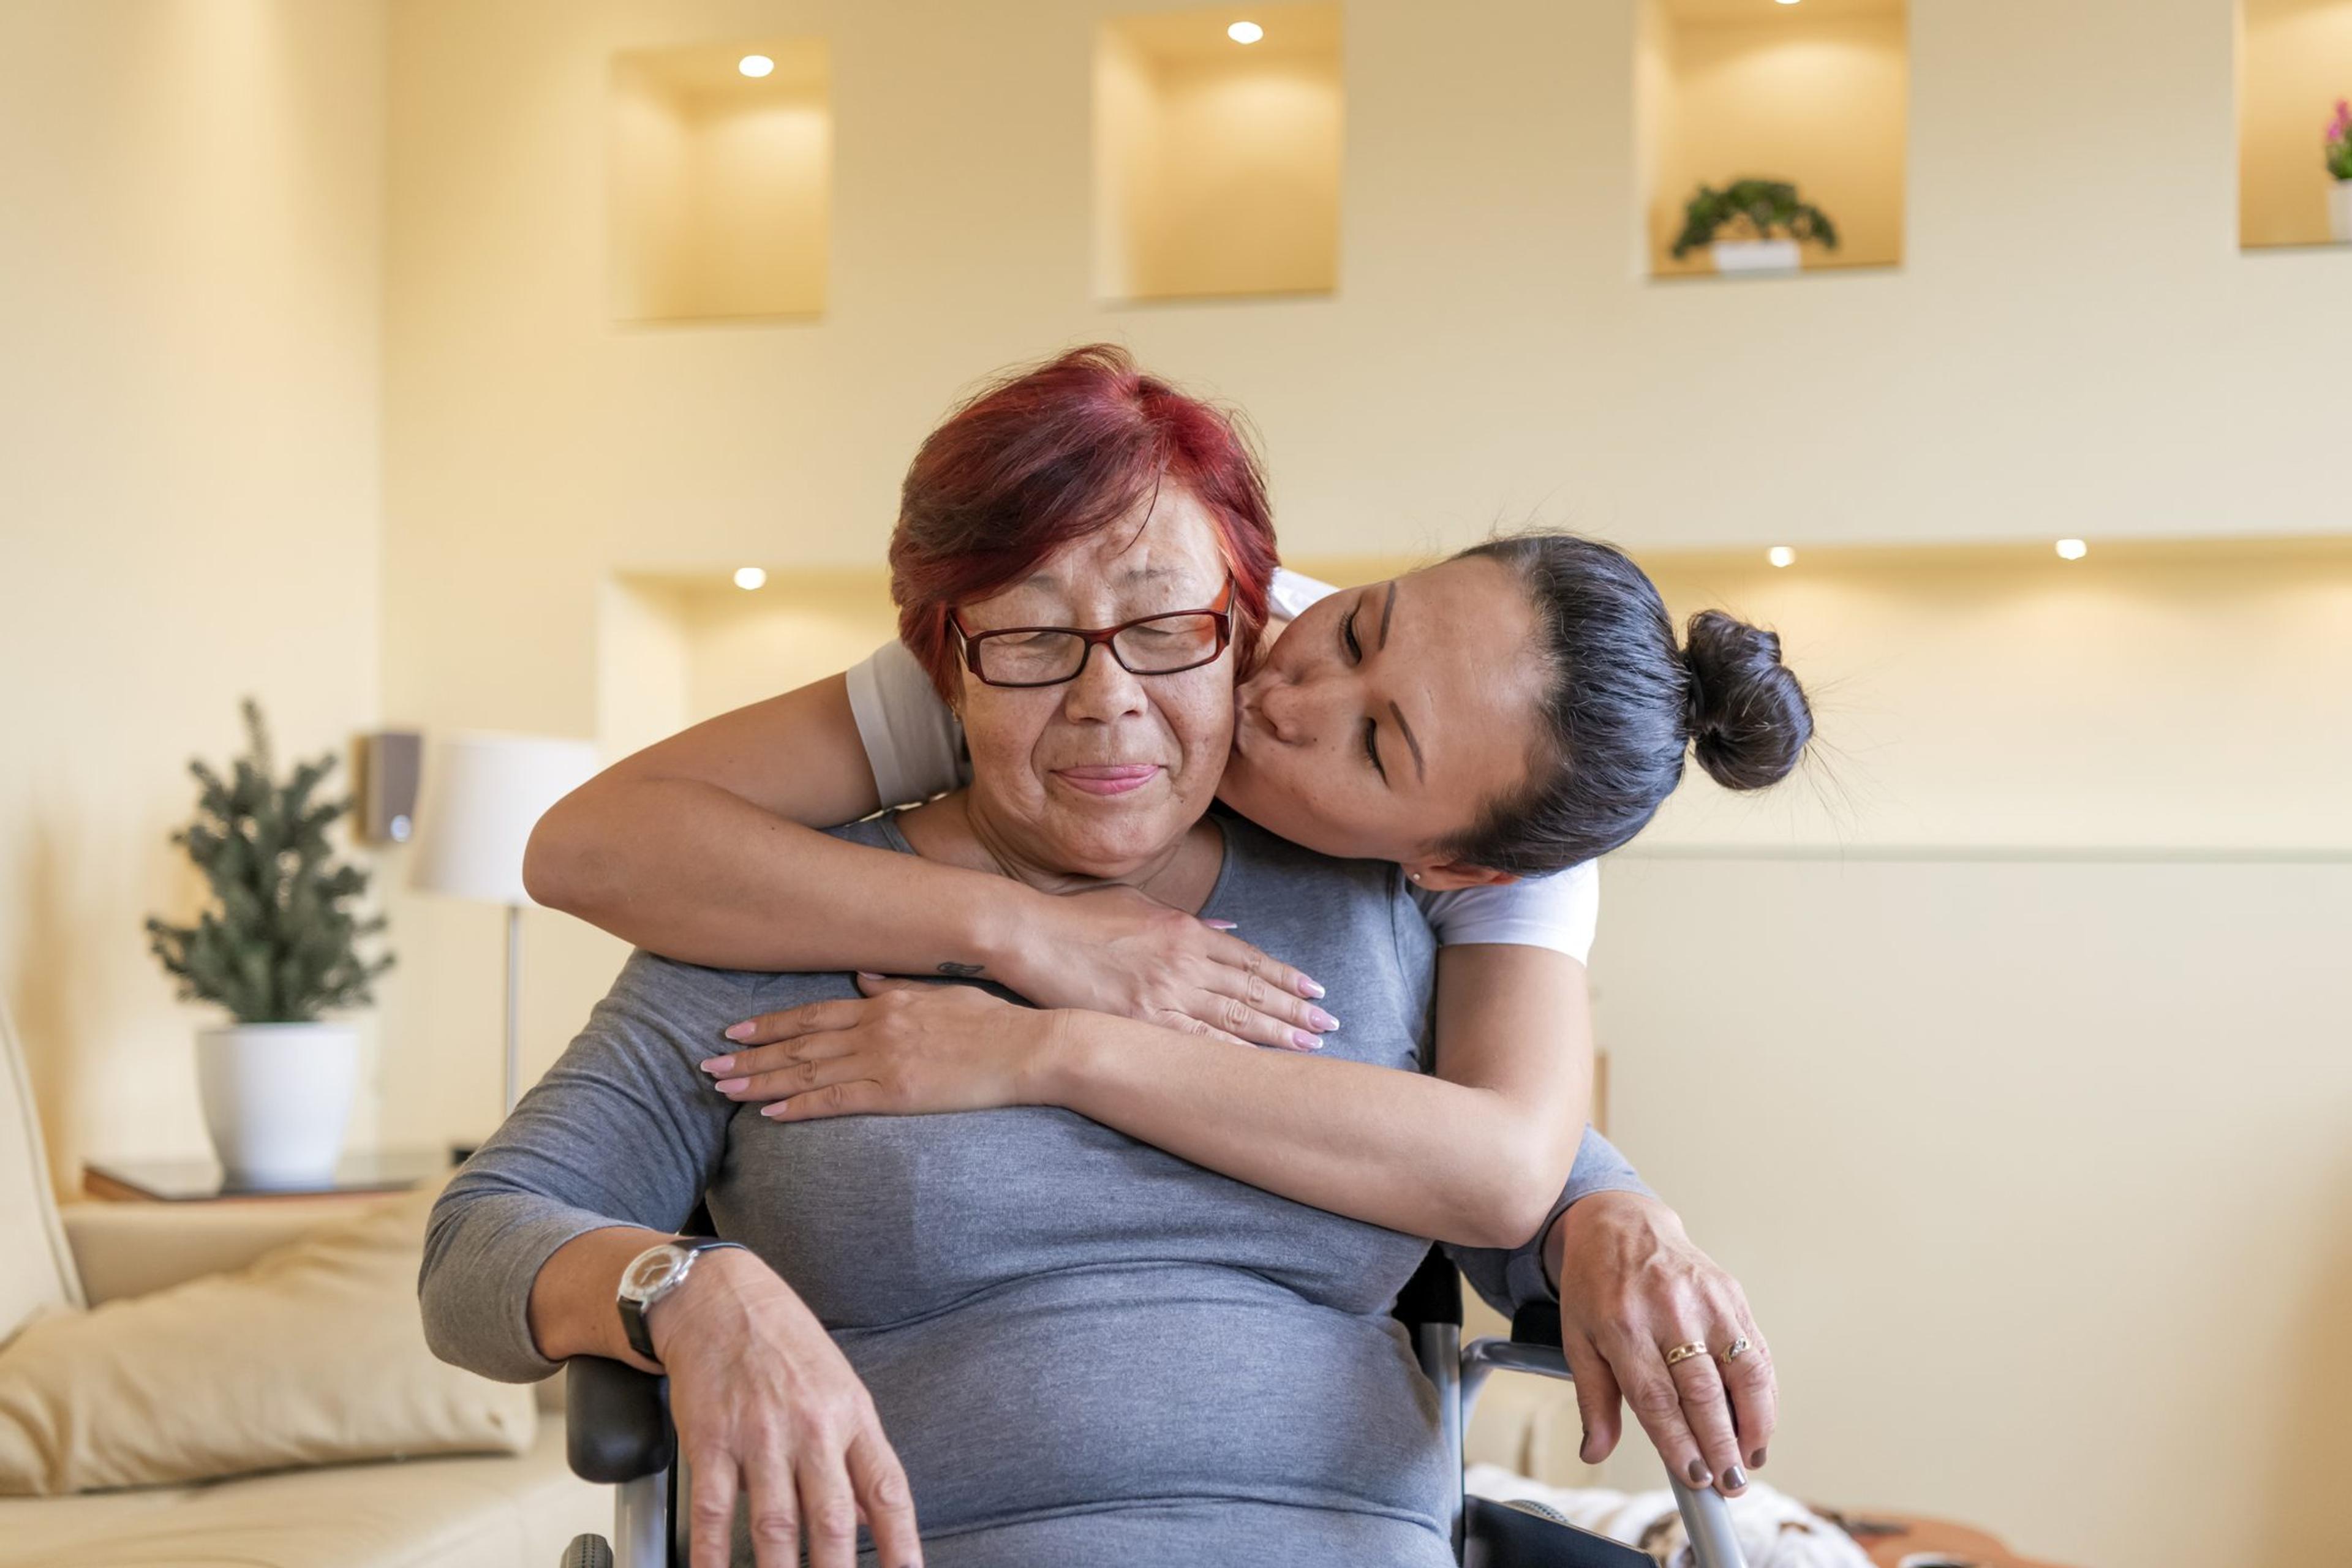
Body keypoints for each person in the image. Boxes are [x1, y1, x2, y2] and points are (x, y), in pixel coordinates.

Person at [524, 346, 1811, 1498]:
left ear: (1447, 862)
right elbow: (585, 851)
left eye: (1374, 744)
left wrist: (1614, 1212)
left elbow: (1508, 1156)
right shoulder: (1128, 614)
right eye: (1354, 625)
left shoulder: (1440, 879)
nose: (1285, 688)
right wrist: (1025, 932)